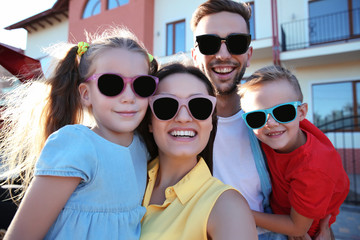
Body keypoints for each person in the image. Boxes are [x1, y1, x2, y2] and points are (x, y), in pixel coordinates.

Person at [191, 0, 333, 239]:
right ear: (196, 55)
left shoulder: (276, 120)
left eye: (236, 43)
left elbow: (315, 175)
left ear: (249, 53)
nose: (223, 54)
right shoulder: (176, 119)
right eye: (209, 43)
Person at [0, 27, 158, 240]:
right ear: (85, 94)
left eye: (142, 84)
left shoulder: (143, 147)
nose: (129, 97)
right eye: (111, 84)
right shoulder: (76, 144)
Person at [139, 63, 258, 239]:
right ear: (150, 121)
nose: (183, 118)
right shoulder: (129, 178)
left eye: (199, 106)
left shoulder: (226, 206)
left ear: (211, 122)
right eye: (166, 105)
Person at [239, 65, 350, 238]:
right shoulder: (285, 129)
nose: (271, 123)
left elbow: (297, 228)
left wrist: (242, 213)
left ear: (302, 113)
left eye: (283, 112)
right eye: (256, 117)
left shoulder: (313, 168)